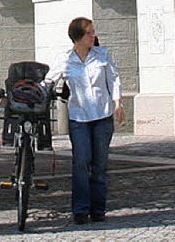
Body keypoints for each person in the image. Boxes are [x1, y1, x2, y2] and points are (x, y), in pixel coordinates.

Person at [45, 17, 124, 225]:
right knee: (81, 162)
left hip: (102, 115)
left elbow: (113, 79)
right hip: (78, 117)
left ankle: (98, 209)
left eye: (93, 32)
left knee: (99, 164)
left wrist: (118, 103)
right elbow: (50, 79)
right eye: (89, 33)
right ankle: (80, 209)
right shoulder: (65, 59)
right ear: (78, 37)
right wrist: (38, 90)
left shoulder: (102, 55)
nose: (93, 36)